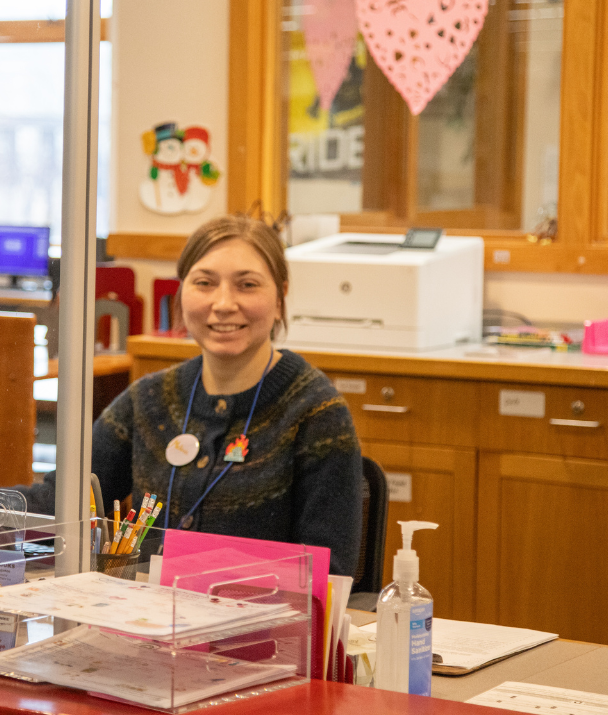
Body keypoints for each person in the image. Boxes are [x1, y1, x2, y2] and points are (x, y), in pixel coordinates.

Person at [23, 214, 363, 577]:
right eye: (204, 283)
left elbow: (328, 574)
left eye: (247, 285)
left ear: (280, 297)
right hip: (145, 622)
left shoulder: (317, 413)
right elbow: (61, 500)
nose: (223, 303)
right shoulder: (149, 400)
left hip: (258, 627)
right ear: (182, 291)